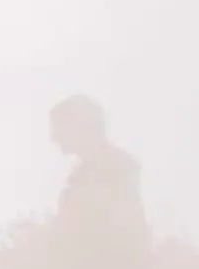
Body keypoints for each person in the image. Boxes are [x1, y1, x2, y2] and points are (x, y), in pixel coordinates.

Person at [49, 94, 150, 260]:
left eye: (59, 128)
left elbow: (104, 232)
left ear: (79, 128)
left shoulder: (112, 169)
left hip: (109, 268)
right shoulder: (90, 171)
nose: (53, 138)